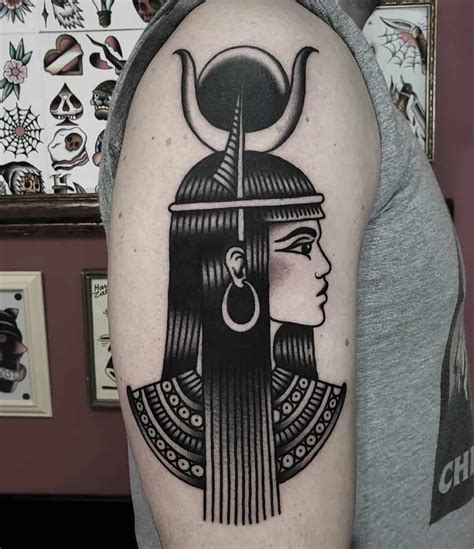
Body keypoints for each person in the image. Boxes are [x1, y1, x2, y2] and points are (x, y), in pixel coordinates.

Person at [98, 0, 474, 547]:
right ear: (236, 263)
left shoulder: (311, 43)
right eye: (301, 245)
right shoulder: (258, 29)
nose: (320, 264)